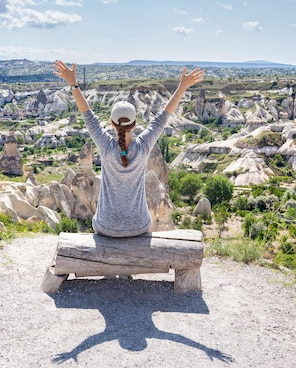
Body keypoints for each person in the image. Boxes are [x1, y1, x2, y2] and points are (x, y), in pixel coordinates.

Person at [53, 60, 205, 237]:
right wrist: (182, 86)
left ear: (111, 123)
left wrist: (73, 84)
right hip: (138, 227)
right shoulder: (143, 147)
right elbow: (162, 118)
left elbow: (88, 116)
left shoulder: (106, 147)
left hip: (105, 227)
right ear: (134, 124)